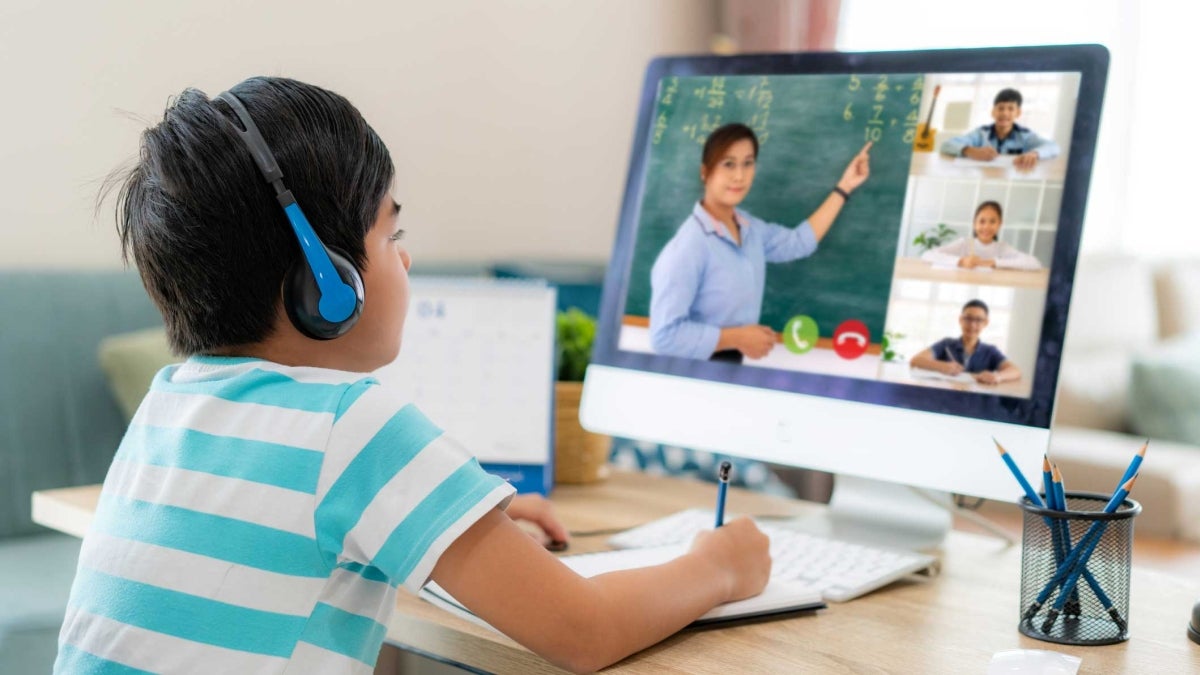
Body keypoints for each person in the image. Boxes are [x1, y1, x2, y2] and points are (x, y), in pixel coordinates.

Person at [54, 77, 771, 675]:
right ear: (324, 282)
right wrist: (717, 565)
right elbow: (584, 631)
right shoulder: (351, 422)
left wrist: (463, 521)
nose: (404, 260)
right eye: (390, 234)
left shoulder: (168, 402)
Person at [649, 123, 872, 363]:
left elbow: (798, 242)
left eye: (748, 163)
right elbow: (664, 336)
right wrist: (736, 338)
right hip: (693, 374)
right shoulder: (689, 246)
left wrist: (845, 186)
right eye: (728, 164)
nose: (740, 175)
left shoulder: (749, 229)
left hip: (730, 365)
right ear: (705, 172)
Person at [940, 88, 1060, 170]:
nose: (1004, 113)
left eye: (1010, 109)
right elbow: (946, 145)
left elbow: (1054, 147)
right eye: (1000, 108)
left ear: (1018, 113)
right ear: (993, 112)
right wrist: (970, 150)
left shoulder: (1025, 136)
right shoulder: (981, 133)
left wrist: (1034, 154)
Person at [909, 299, 1021, 386]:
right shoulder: (946, 344)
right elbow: (915, 360)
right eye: (968, 319)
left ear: (985, 323)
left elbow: (1015, 371)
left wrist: (998, 377)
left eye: (978, 320)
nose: (972, 325)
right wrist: (941, 366)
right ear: (960, 320)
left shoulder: (990, 351)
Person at [921, 201, 1041, 270]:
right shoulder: (964, 244)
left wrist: (993, 262)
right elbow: (927, 255)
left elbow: (1034, 263)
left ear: (1000, 224)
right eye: (982, 221)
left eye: (992, 222)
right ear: (974, 224)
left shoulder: (1002, 248)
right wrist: (961, 261)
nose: (987, 227)